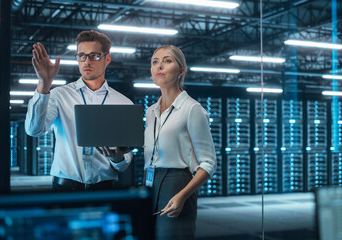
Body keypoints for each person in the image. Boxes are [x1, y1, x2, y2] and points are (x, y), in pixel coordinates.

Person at [25, 30, 133, 191]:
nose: (86, 62)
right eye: (81, 55)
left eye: (94, 55)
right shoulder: (58, 95)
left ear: (107, 58)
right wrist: (44, 83)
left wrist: (118, 158)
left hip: (104, 191)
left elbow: (124, 163)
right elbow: (34, 130)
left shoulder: (124, 104)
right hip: (64, 190)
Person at [144, 45, 217, 239]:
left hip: (177, 183)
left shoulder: (192, 109)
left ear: (181, 70)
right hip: (150, 182)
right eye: (155, 62)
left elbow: (209, 163)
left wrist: (182, 195)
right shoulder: (151, 111)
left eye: (167, 61)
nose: (159, 66)